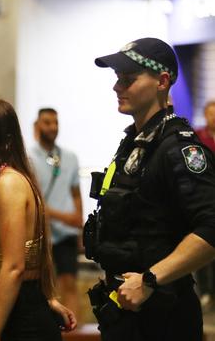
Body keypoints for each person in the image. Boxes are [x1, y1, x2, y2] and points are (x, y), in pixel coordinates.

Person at [85, 37, 215, 340]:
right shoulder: (135, 143)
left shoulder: (179, 149)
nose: (117, 87)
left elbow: (211, 227)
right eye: (118, 78)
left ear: (162, 81)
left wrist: (150, 280)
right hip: (126, 313)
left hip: (164, 316)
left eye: (128, 79)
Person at [0, 99, 76, 341]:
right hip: (8, 306)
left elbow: (14, 267)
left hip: (21, 315)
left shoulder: (8, 182)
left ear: (5, 141)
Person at [30, 108, 83, 317]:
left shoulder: (69, 157)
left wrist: (78, 225)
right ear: (37, 126)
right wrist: (64, 217)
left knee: (69, 283)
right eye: (47, 122)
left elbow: (76, 193)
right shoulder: (28, 157)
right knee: (43, 286)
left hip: (66, 234)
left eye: (55, 122)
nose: (52, 127)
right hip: (41, 233)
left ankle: (73, 331)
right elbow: (33, 198)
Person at [196, 100, 215, 309]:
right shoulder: (197, 137)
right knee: (202, 245)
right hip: (204, 199)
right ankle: (205, 292)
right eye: (210, 114)